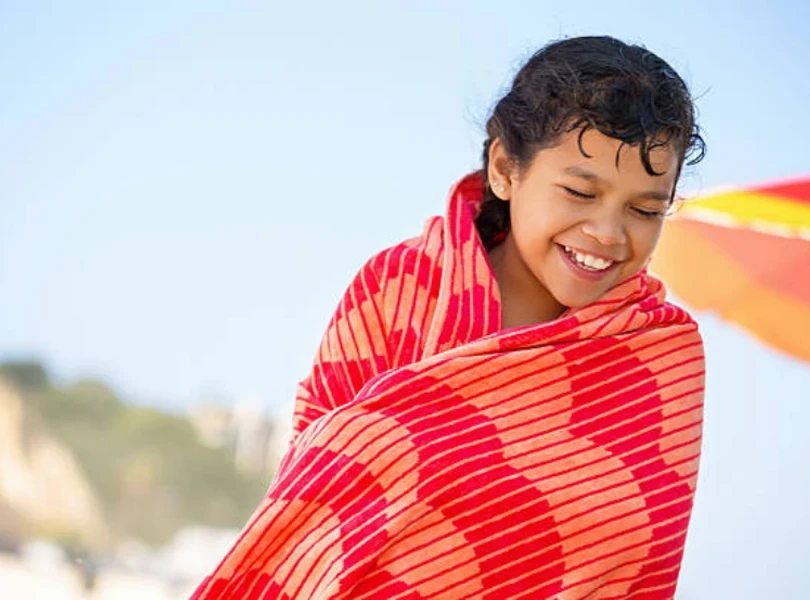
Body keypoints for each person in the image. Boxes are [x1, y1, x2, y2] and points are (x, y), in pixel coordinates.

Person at [192, 35, 707, 599]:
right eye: (580, 193)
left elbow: (637, 569)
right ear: (506, 169)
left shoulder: (657, 359)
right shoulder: (398, 291)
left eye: (644, 209)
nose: (609, 234)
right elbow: (311, 504)